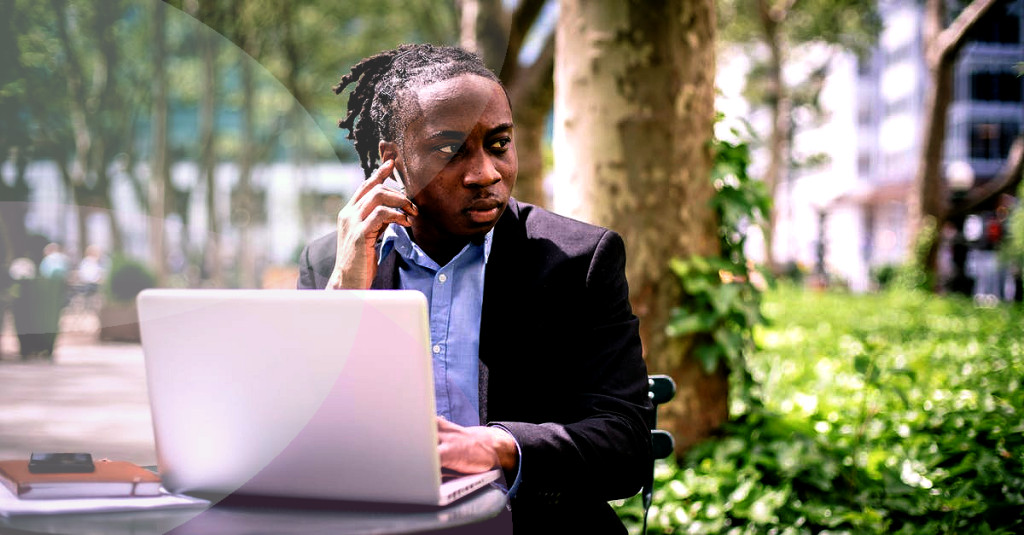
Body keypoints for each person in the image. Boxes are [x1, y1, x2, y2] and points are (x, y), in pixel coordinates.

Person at [297, 44, 652, 534]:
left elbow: (627, 446)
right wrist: (345, 295)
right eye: (451, 149)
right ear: (393, 159)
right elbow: (299, 435)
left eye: (499, 144)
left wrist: (495, 447)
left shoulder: (580, 260)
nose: (485, 174)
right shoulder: (330, 264)